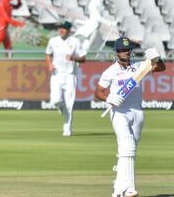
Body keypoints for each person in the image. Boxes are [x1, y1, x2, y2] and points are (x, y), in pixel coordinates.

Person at [94, 37, 166, 197]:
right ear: (116, 52)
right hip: (119, 112)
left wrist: (156, 58)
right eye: (121, 50)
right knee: (127, 146)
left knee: (128, 151)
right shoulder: (110, 71)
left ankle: (119, 189)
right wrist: (109, 98)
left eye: (127, 49)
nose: (125, 52)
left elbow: (161, 68)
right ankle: (129, 189)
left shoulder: (140, 67)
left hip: (137, 112)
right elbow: (97, 92)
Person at [45, 21, 86, 136]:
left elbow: (83, 58)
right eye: (60, 28)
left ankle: (67, 130)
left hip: (70, 75)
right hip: (56, 74)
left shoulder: (75, 42)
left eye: (64, 28)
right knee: (55, 100)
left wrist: (74, 58)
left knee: (69, 104)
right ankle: (61, 108)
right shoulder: (53, 41)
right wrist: (49, 64)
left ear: (69, 30)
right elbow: (48, 54)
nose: (61, 30)